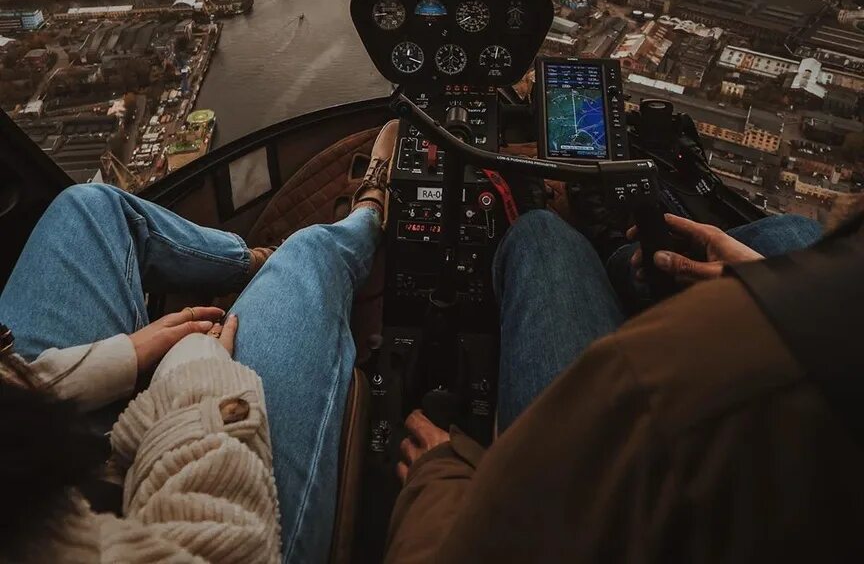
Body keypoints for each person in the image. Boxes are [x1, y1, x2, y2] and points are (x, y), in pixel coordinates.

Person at [0, 120, 399, 564]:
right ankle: (367, 220)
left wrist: (120, 359)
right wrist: (196, 374)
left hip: (37, 462)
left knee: (90, 208)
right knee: (308, 254)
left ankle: (250, 261)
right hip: (166, 529)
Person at [386, 204, 864, 562]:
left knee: (544, 233)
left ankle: (606, 251)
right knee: (795, 232)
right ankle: (621, 258)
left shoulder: (653, 376)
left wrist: (437, 478)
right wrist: (771, 279)